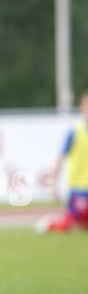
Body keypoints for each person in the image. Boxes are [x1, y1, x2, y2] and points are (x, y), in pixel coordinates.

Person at [36, 90, 88, 233]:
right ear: (82, 107)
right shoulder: (75, 131)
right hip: (80, 189)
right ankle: (49, 224)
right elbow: (60, 157)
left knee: (84, 227)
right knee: (69, 225)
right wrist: (54, 184)